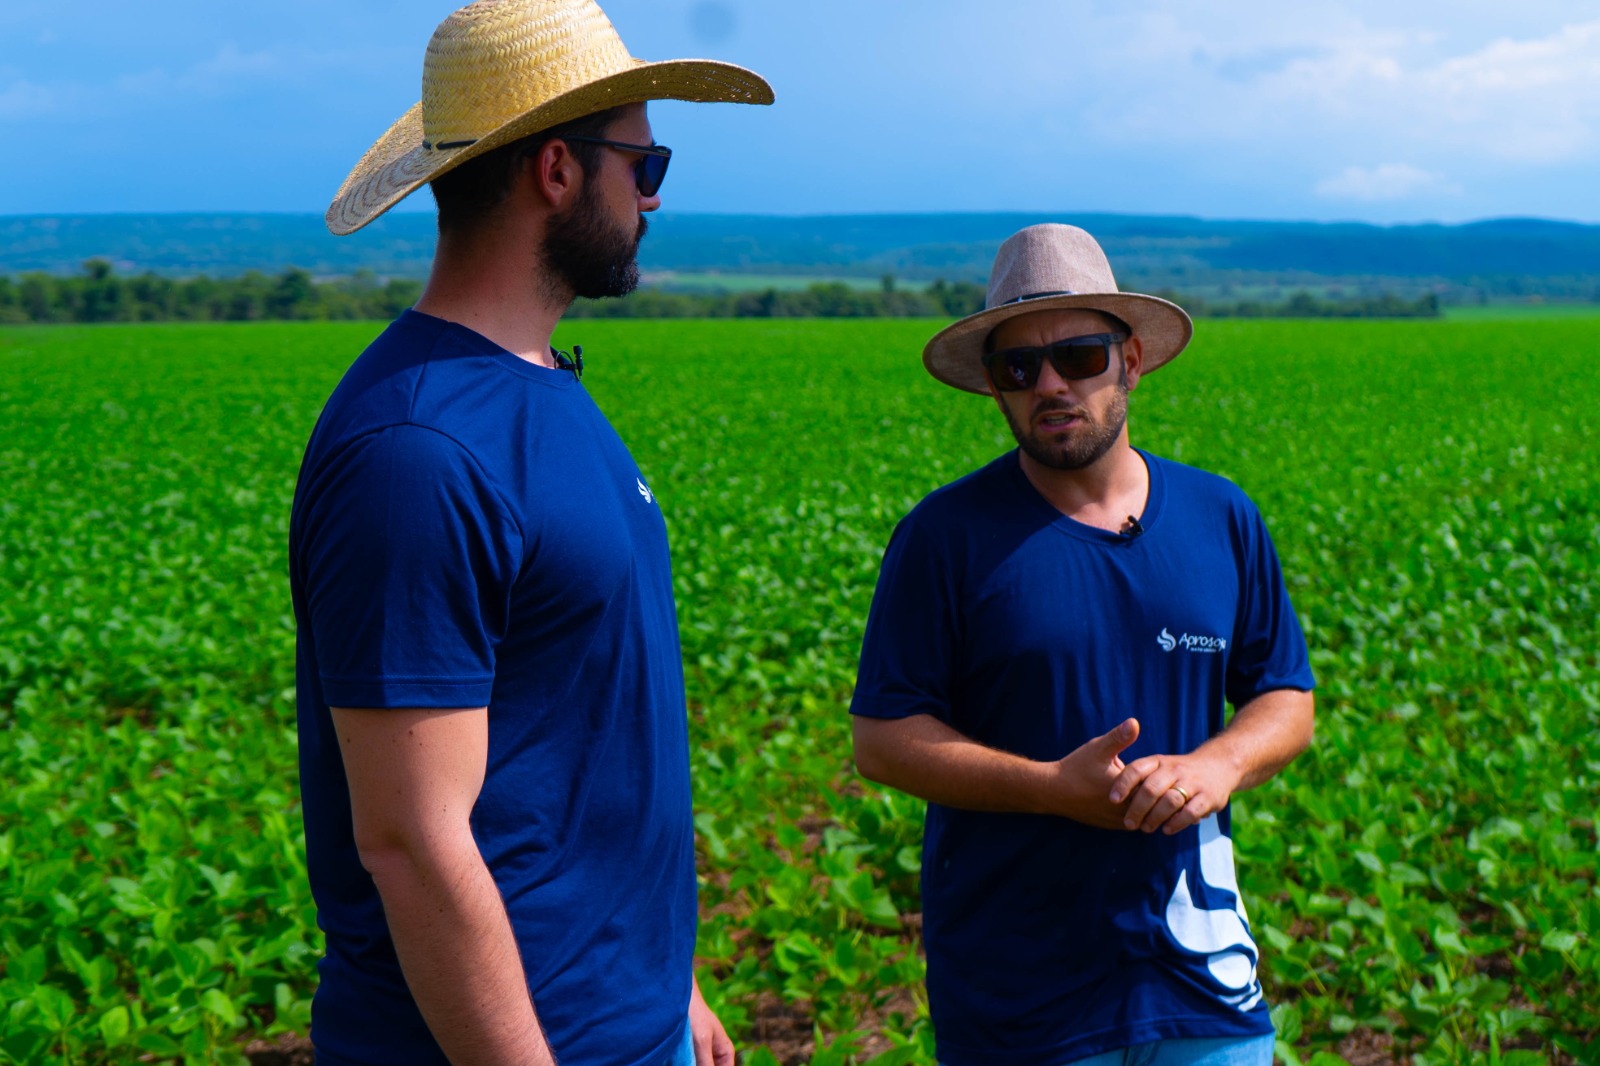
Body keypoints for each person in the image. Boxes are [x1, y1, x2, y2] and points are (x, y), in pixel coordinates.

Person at [288, 2, 771, 1064]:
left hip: (623, 1021)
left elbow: (577, 727)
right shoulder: (417, 450)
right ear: (557, 169)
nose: (653, 199)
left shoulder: (544, 387)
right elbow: (411, 838)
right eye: (644, 166)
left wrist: (665, 984)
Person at [849, 224, 1316, 1066]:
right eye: (1019, 368)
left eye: (1081, 356)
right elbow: (882, 740)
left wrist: (1218, 766)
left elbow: (1284, 695)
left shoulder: (1221, 517)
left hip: (1204, 978)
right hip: (1023, 1000)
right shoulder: (944, 538)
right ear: (995, 388)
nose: (1052, 385)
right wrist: (1048, 788)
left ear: (1131, 360)